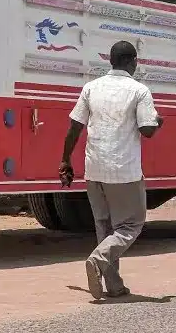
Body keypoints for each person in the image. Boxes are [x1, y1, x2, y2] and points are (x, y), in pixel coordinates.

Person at [59, 40, 162, 299]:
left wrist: (65, 161)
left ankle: (114, 285)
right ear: (133, 62)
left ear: (111, 61)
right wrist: (159, 121)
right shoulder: (139, 90)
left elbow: (74, 127)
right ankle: (97, 258)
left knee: (104, 227)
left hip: (94, 169)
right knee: (131, 225)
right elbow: (147, 130)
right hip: (124, 171)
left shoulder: (91, 88)